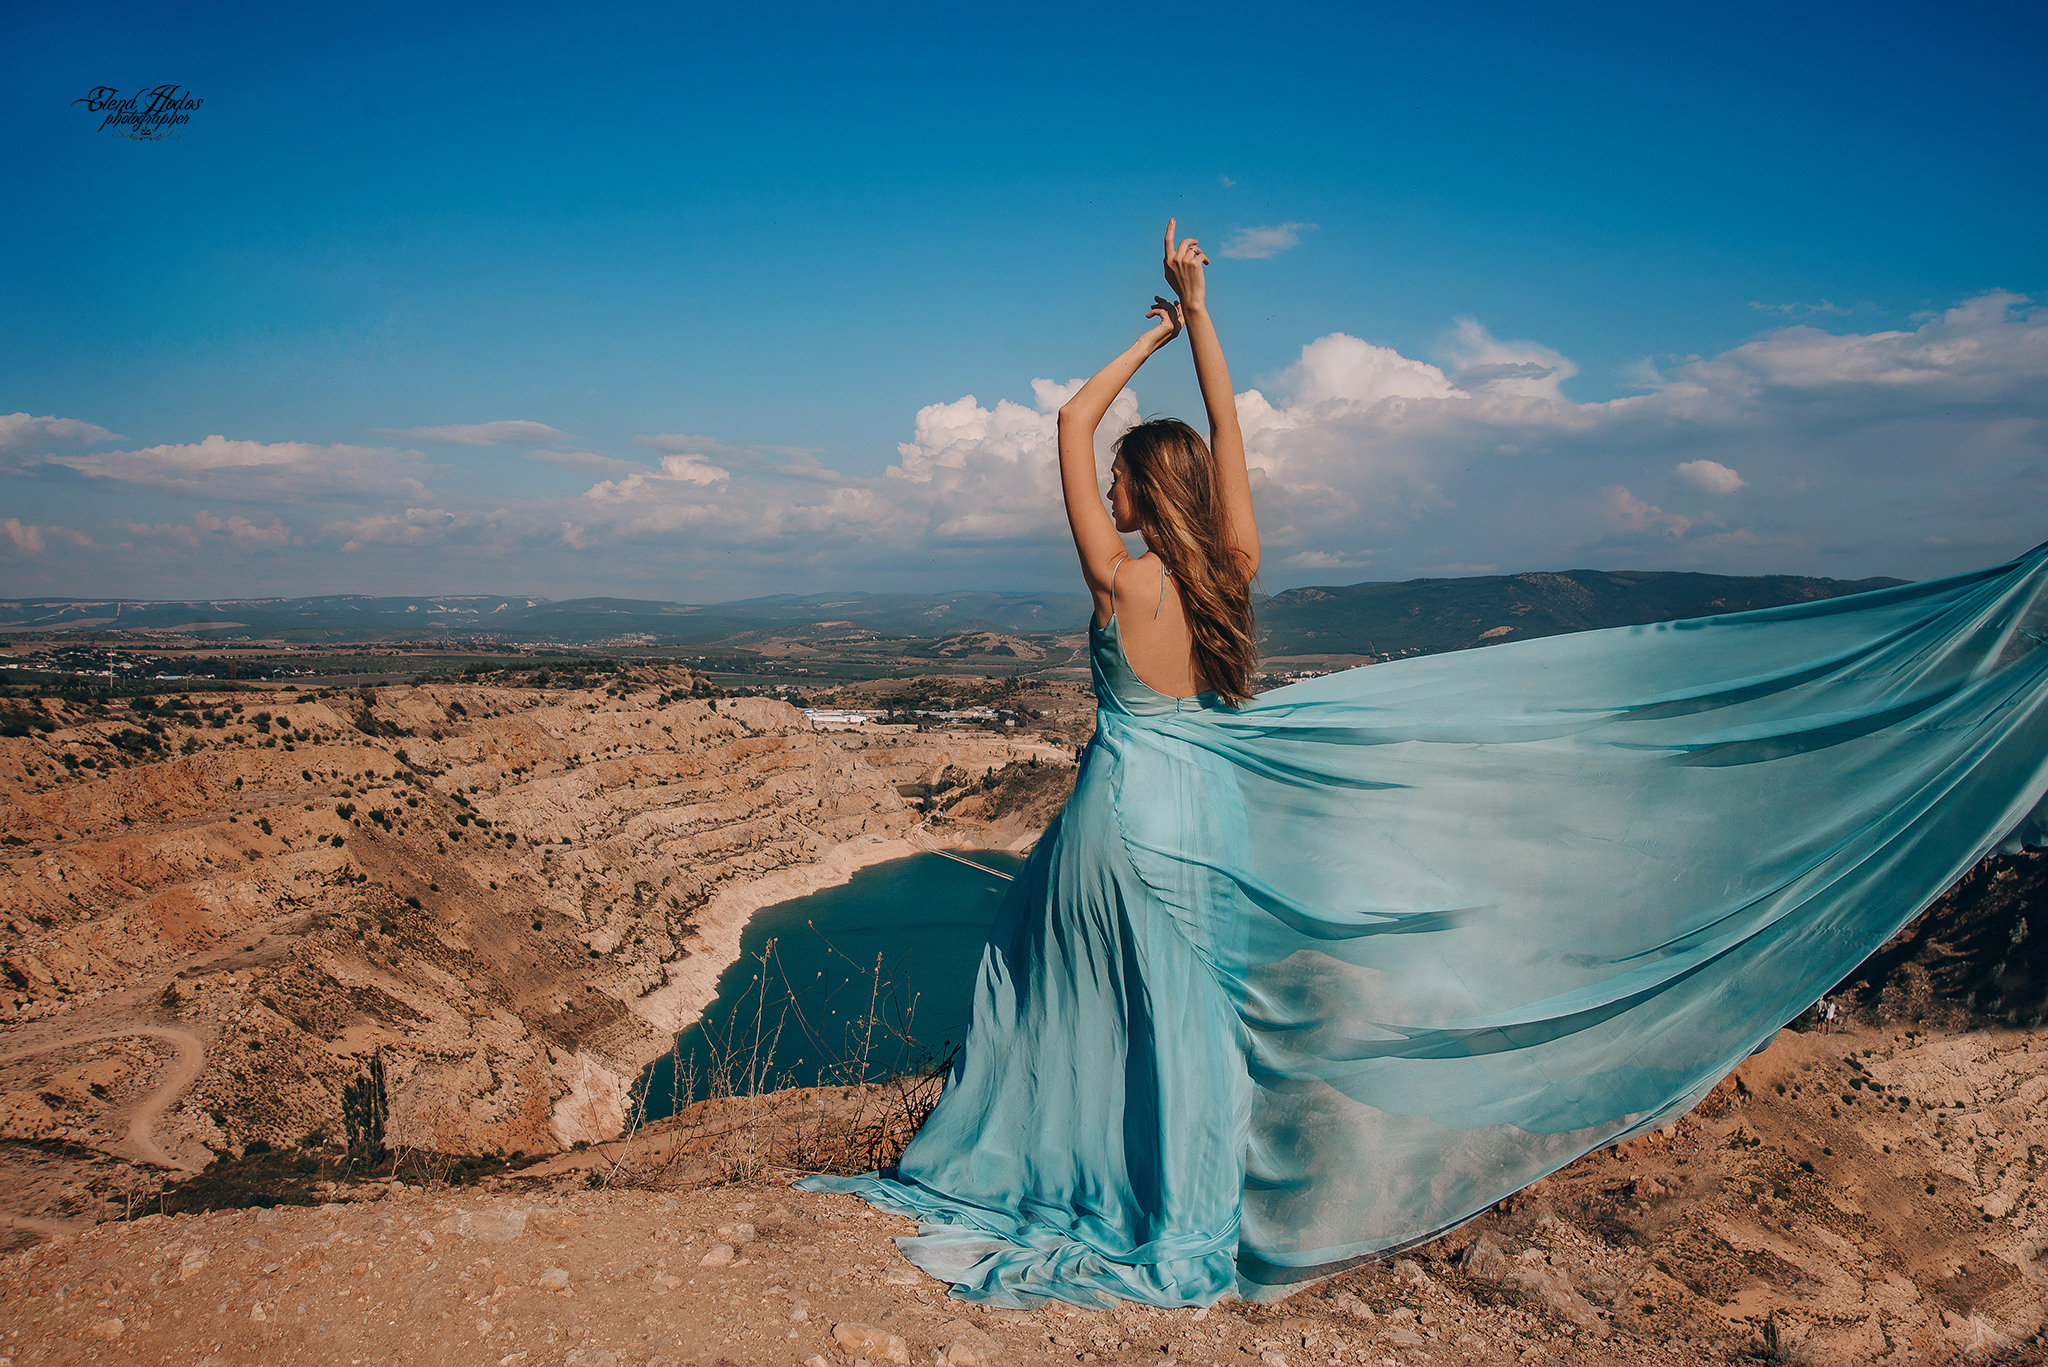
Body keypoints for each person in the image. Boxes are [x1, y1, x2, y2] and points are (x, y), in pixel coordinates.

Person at [798, 223, 2048, 1310]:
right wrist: (1198, 319)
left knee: (1072, 986)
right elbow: (1229, 426)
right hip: (1214, 810)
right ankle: (1184, 1190)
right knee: (1189, 1010)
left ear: (1134, 488)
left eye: (1123, 478)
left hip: (1122, 808)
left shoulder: (1119, 580)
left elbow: (1068, 421)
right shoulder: (1226, 569)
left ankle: (1064, 1168)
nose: (1111, 485)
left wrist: (1140, 347)